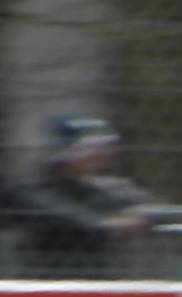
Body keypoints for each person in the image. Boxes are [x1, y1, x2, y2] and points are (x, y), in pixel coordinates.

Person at [15, 116, 153, 278]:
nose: (101, 154)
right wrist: (109, 223)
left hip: (100, 279)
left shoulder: (107, 186)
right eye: (90, 148)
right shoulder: (36, 189)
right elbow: (68, 218)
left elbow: (150, 207)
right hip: (50, 280)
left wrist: (143, 216)